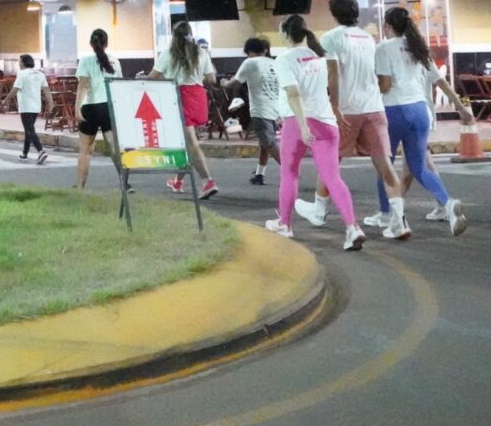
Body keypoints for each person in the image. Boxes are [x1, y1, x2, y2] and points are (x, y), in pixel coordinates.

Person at [297, 0, 407, 241]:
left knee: (330, 161)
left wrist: (334, 108)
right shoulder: (369, 38)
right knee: (384, 164)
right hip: (374, 108)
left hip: (348, 109)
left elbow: (333, 76)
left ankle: (319, 210)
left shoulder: (332, 37)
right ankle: (399, 221)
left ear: (334, 13)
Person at [371, 6, 472, 236]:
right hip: (420, 111)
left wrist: (369, 91)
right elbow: (441, 83)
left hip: (394, 111)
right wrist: (460, 108)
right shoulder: (419, 48)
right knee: (418, 167)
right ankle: (448, 203)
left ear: (387, 26)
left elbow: (385, 86)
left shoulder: (384, 48)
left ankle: (386, 214)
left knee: (384, 163)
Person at [268, 16, 365, 251]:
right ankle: (353, 227)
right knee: (332, 177)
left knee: (290, 173)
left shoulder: (284, 60)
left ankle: (285, 224)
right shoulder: (319, 57)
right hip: (327, 123)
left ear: (285, 34)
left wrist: (302, 126)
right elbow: (332, 84)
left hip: (297, 121)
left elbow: (293, 94)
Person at [149, 20, 219, 199]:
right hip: (198, 97)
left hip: (179, 97)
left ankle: (207, 181)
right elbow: (211, 79)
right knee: (186, 141)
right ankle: (178, 181)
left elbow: (153, 76)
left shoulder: (169, 54)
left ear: (174, 36)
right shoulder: (202, 53)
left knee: (191, 142)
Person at [227, 37, 282, 185]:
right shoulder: (274, 63)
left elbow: (235, 83)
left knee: (269, 143)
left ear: (249, 51)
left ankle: (290, 170)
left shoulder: (250, 62)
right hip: (276, 108)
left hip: (260, 109)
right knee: (264, 143)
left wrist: (224, 83)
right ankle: (259, 173)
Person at [75, 28, 122, 189]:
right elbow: (119, 86)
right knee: (114, 147)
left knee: (85, 150)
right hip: (109, 106)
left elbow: (83, 86)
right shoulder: (115, 61)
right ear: (106, 43)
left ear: (91, 43)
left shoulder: (85, 60)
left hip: (90, 108)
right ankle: (125, 182)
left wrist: (77, 108)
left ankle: (80, 186)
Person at [3, 54, 53, 163]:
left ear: (23, 63)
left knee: (30, 130)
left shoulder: (22, 74)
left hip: (26, 106)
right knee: (28, 130)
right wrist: (51, 104)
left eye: (20, 62)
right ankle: (24, 153)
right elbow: (46, 90)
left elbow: (15, 89)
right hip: (36, 106)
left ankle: (41, 151)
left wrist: (5, 100)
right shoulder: (40, 74)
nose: (19, 64)